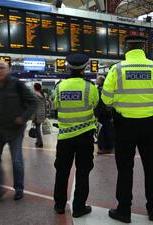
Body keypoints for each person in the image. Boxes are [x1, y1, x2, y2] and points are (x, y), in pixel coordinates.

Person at [102, 35, 153, 223]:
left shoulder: (117, 69)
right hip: (149, 126)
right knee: (151, 168)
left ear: (126, 48)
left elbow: (106, 98)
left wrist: (120, 102)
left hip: (124, 127)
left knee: (125, 169)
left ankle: (124, 211)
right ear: (144, 48)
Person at [0, 60, 36, 203]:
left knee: (17, 161)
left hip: (15, 131)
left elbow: (33, 101)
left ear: (8, 69)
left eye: (2, 68)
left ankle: (19, 188)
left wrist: (23, 118)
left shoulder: (17, 84)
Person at [53, 54, 99, 218]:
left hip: (64, 137)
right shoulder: (90, 87)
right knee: (83, 171)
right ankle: (79, 207)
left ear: (68, 67)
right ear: (85, 68)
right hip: (85, 137)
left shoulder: (60, 86)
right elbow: (95, 104)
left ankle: (59, 205)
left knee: (62, 171)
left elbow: (55, 105)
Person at [95, 75, 114, 154]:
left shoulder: (98, 90)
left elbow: (97, 103)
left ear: (100, 81)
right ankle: (109, 147)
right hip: (108, 113)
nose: (96, 80)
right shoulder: (107, 90)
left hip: (101, 114)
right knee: (108, 130)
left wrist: (96, 114)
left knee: (101, 131)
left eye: (97, 79)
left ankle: (102, 147)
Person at [33, 83, 46, 148]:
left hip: (37, 113)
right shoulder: (43, 94)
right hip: (42, 112)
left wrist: (33, 117)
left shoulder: (34, 95)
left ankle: (40, 142)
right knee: (37, 127)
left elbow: (34, 106)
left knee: (37, 128)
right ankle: (37, 141)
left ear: (34, 87)